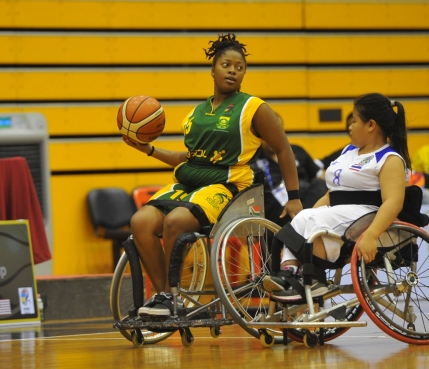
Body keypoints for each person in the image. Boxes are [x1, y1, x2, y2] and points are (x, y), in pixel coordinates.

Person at [122, 33, 302, 317]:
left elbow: (283, 149)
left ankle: (173, 295)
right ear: (213, 69)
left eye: (239, 67)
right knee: (140, 221)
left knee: (176, 221)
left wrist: (294, 197)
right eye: (226, 64)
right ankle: (166, 298)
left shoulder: (253, 107)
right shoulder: (197, 113)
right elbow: (187, 158)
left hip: (226, 183)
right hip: (188, 182)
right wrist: (148, 149)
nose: (233, 70)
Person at [262, 92, 412, 301]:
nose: (349, 126)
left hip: (366, 215)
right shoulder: (348, 151)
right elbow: (331, 194)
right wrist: (306, 215)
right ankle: (288, 272)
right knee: (302, 218)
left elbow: (394, 202)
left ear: (371, 125)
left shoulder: (390, 159)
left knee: (314, 221)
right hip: (340, 211)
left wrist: (371, 235)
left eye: (354, 120)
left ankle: (315, 278)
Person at [252, 135, 327, 226]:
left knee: (320, 184)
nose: (273, 140)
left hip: (305, 200)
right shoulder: (253, 159)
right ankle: (303, 225)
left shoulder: (297, 151)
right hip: (278, 210)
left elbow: (320, 175)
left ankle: (304, 223)